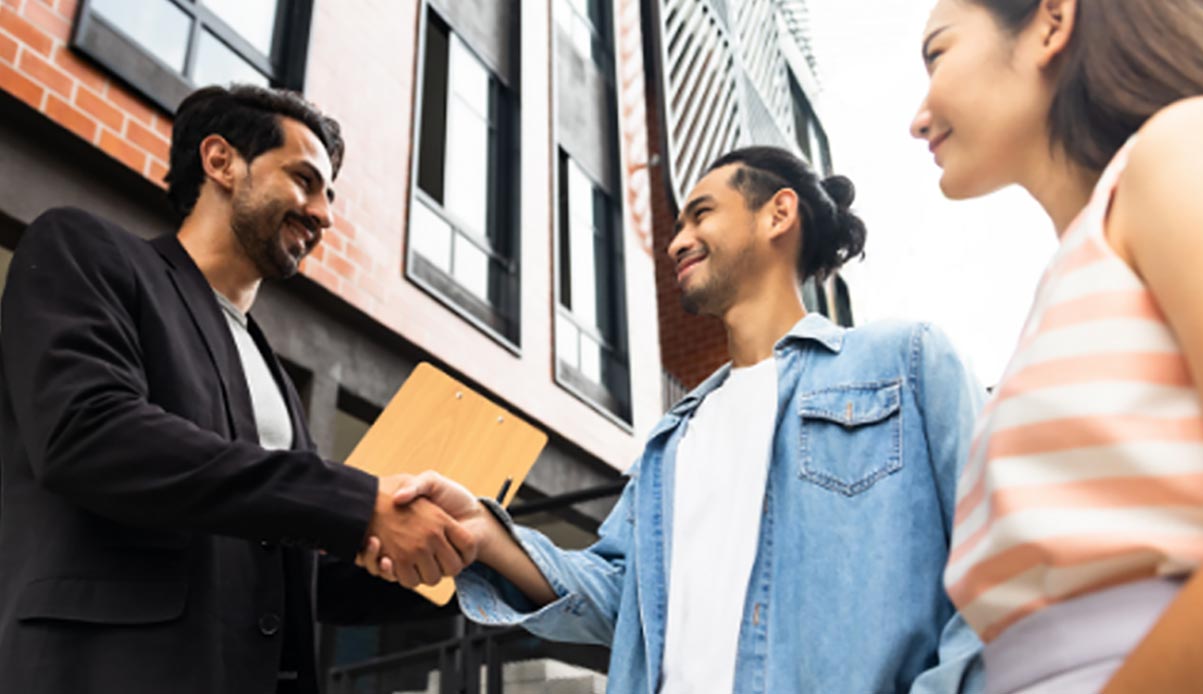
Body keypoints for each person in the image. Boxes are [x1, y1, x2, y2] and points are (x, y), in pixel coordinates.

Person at [360, 146, 986, 693]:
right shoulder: (672, 440)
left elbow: (1003, 561)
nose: (676, 240)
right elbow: (620, 598)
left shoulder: (905, 362)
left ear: (778, 214)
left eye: (701, 214)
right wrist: (483, 532)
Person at [0, 84, 474, 694]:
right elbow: (89, 433)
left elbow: (298, 572)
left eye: (330, 196)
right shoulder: (87, 251)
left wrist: (461, 563)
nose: (325, 214)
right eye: (304, 180)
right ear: (221, 161)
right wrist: (354, 501)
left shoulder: (266, 364)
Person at [911, 0, 1203, 691]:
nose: (916, 117)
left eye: (936, 54)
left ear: (1050, 22)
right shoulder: (1072, 277)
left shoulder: (1188, 147)